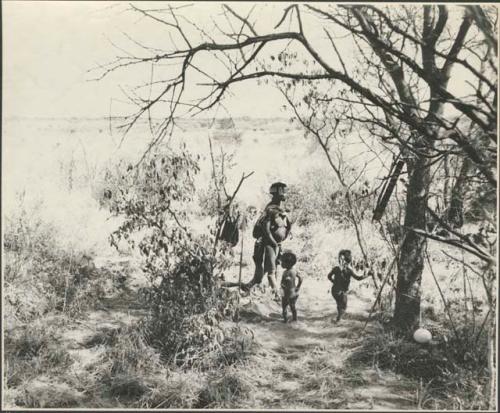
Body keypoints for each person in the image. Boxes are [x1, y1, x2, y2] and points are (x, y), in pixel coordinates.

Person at [244, 182, 292, 297]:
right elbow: (266, 229)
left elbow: (283, 227)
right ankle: (277, 295)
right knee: (270, 272)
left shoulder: (278, 209)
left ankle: (249, 288)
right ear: (277, 193)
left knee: (269, 272)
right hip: (267, 244)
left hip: (274, 244)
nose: (284, 193)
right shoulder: (271, 209)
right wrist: (274, 243)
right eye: (282, 191)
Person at [327, 249, 368, 322]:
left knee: (339, 304)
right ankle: (338, 320)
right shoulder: (348, 271)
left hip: (334, 290)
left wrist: (334, 282)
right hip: (342, 291)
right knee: (344, 306)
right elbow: (358, 278)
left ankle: (338, 319)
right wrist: (367, 275)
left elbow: (329, 276)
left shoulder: (336, 269)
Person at [280, 250, 302, 323]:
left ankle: (294, 319)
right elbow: (282, 282)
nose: (281, 264)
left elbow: (301, 278)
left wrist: (298, 287)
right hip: (287, 293)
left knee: (292, 307)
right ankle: (285, 320)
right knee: (284, 307)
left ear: (288, 263)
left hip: (291, 293)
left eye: (283, 262)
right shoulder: (285, 272)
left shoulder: (293, 271)